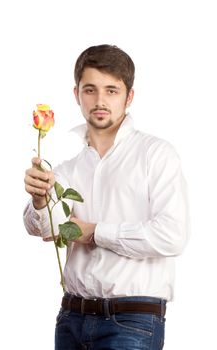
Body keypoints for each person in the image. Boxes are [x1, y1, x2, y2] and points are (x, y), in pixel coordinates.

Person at [23, 44, 190, 350]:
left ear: (130, 97)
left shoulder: (156, 154)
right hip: (71, 317)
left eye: (111, 90)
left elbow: (172, 235)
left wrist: (95, 232)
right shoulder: (68, 169)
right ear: (77, 94)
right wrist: (39, 201)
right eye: (90, 90)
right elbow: (48, 230)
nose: (100, 101)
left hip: (133, 320)